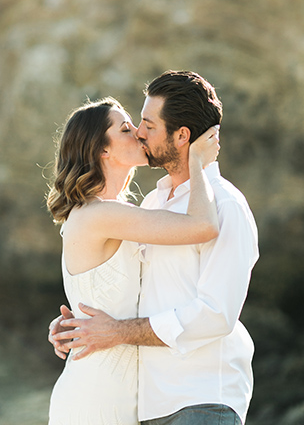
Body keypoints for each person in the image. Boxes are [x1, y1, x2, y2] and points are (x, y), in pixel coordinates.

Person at [49, 71, 259, 425]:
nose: (140, 134)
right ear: (103, 149)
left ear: (182, 136)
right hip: (136, 400)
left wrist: (198, 166)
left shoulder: (226, 206)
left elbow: (217, 314)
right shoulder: (149, 205)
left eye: (145, 124)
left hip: (202, 398)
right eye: (130, 127)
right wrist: (79, 324)